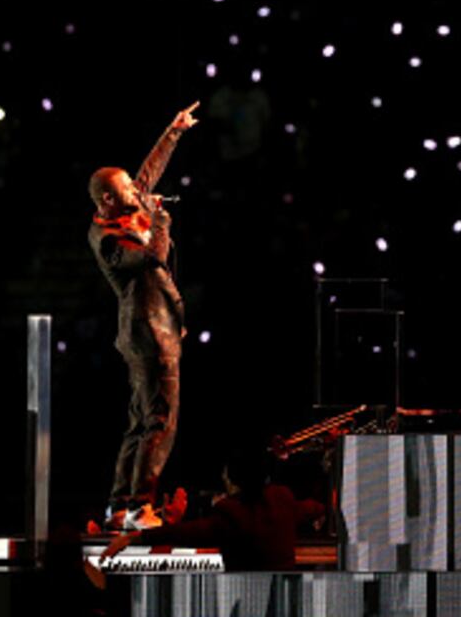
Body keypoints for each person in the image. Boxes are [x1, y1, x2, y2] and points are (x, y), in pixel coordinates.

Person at [89, 101, 201, 528]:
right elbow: (154, 257)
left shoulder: (123, 208)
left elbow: (146, 175)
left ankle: (120, 506)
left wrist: (173, 132)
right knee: (159, 423)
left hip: (158, 328)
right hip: (149, 334)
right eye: (128, 192)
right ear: (107, 199)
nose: (138, 192)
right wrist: (160, 220)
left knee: (141, 421)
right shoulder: (109, 238)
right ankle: (139, 506)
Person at [100, 447, 326, 571]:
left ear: (231, 480)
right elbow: (312, 508)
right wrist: (322, 512)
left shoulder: (232, 514)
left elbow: (187, 533)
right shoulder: (282, 500)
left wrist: (132, 538)